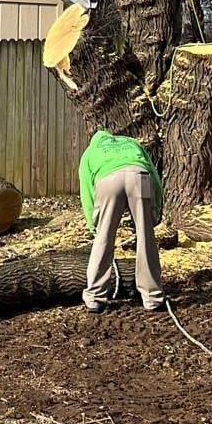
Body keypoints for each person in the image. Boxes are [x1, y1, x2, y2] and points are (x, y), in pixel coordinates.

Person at [78, 129, 165, 314]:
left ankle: (94, 297)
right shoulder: (132, 142)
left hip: (109, 179)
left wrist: (93, 225)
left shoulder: (91, 152)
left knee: (104, 237)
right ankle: (153, 297)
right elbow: (154, 175)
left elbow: (86, 191)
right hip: (140, 176)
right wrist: (155, 210)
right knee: (145, 236)